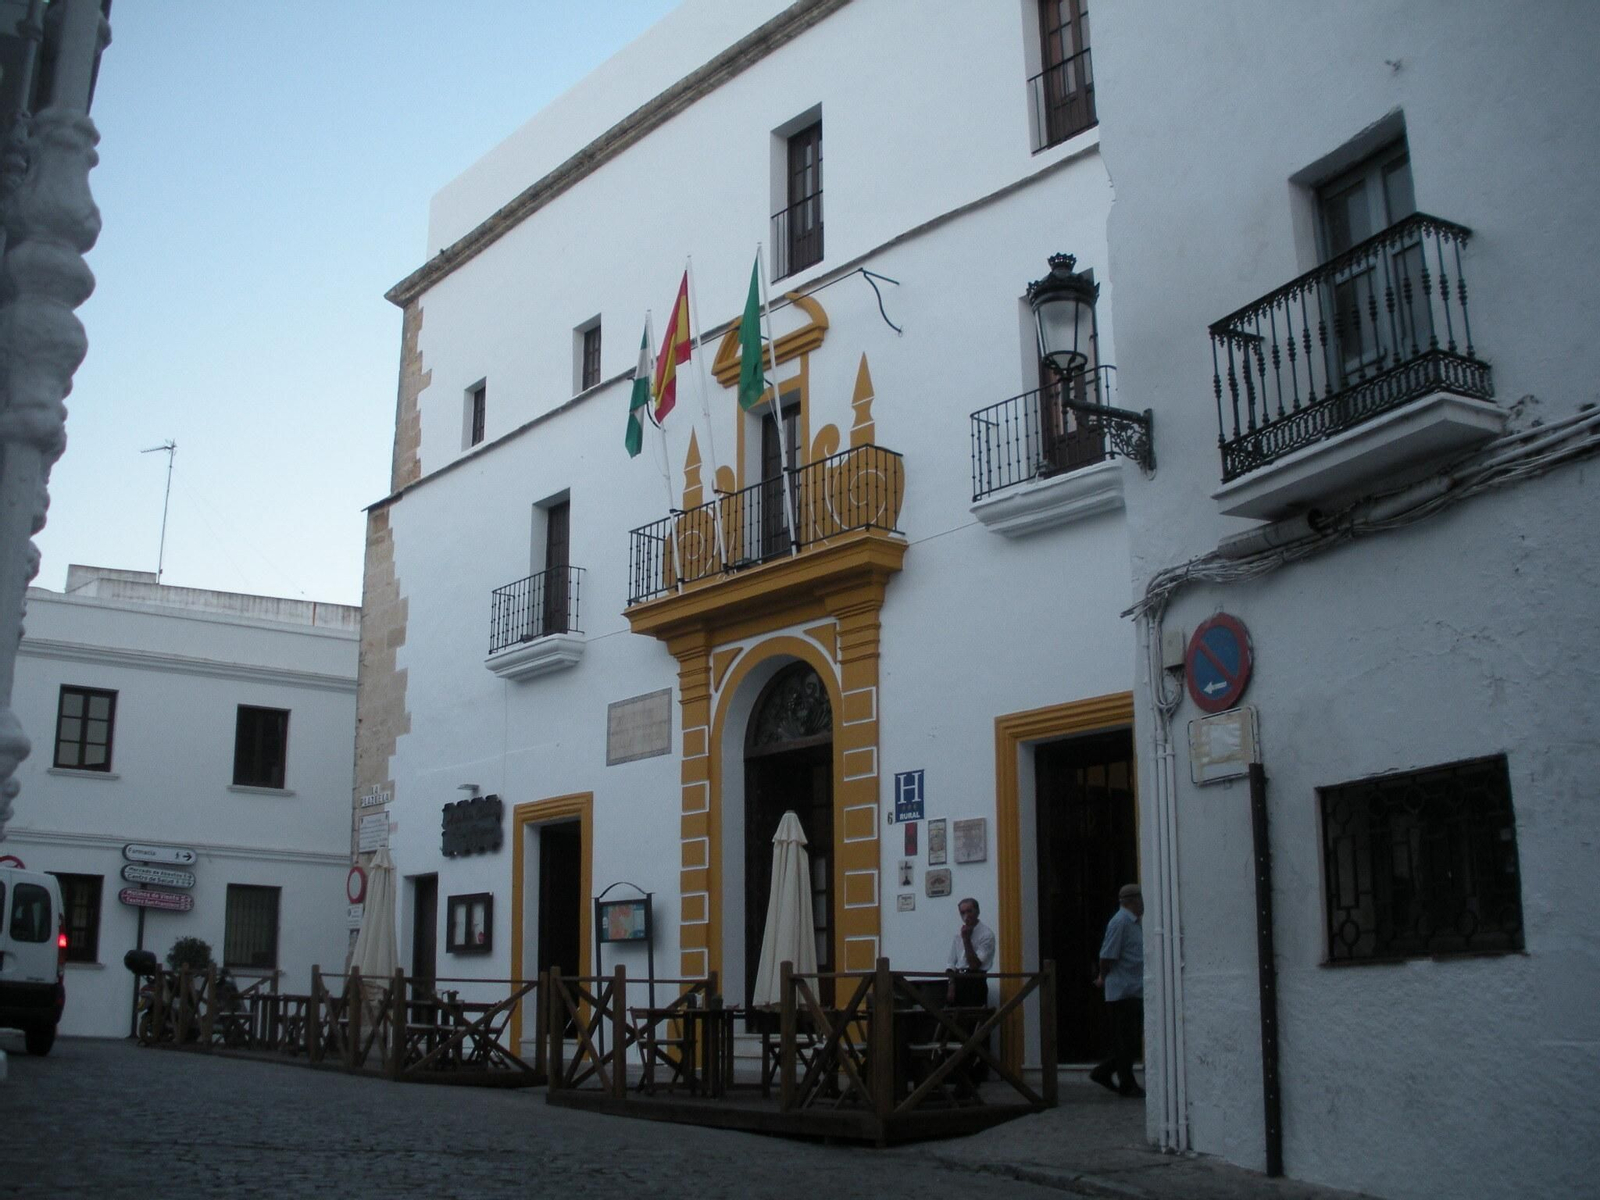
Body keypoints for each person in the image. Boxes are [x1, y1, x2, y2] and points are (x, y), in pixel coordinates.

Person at [1091, 882, 1145, 1098]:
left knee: (1131, 1041)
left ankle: (1105, 1073)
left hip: (1134, 989)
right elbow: (1107, 955)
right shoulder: (1120, 922)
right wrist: (1103, 976)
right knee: (1127, 1041)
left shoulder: (1134, 923)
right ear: (1133, 901)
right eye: (1141, 899)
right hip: (1123, 991)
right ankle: (1125, 1082)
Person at [945, 896, 996, 1005]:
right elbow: (951, 963)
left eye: (969, 911)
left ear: (977, 912)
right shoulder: (958, 934)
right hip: (958, 980)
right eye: (963, 913)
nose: (966, 915)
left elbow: (974, 965)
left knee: (974, 1013)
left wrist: (966, 940)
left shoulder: (986, 935)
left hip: (975, 980)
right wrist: (951, 984)